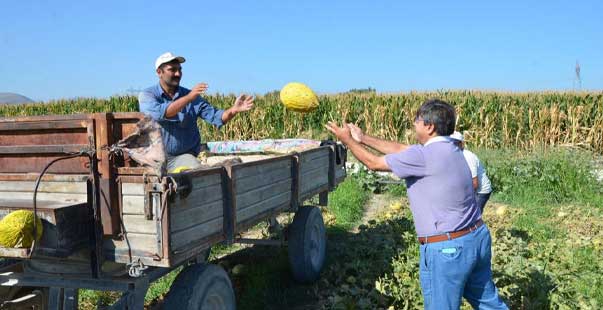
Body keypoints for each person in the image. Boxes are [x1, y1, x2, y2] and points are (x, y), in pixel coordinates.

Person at [325, 99, 507, 310]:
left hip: (448, 249)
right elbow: (401, 149)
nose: (414, 124)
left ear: (429, 127)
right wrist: (363, 138)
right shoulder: (454, 149)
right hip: (476, 238)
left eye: (417, 120)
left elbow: (373, 163)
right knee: (489, 303)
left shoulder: (423, 156)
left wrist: (347, 140)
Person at [138, 52, 254, 171]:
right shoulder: (148, 95)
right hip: (155, 159)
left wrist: (234, 110)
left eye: (179, 70)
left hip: (182, 158)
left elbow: (217, 117)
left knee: (196, 172)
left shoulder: (192, 97)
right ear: (159, 72)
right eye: (172, 70)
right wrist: (189, 97)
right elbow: (163, 113)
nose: (178, 74)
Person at [450, 131, 493, 212]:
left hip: (481, 191)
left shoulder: (468, 157)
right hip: (470, 188)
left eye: (455, 143)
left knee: (473, 217)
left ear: (461, 144)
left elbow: (475, 184)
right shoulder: (454, 156)